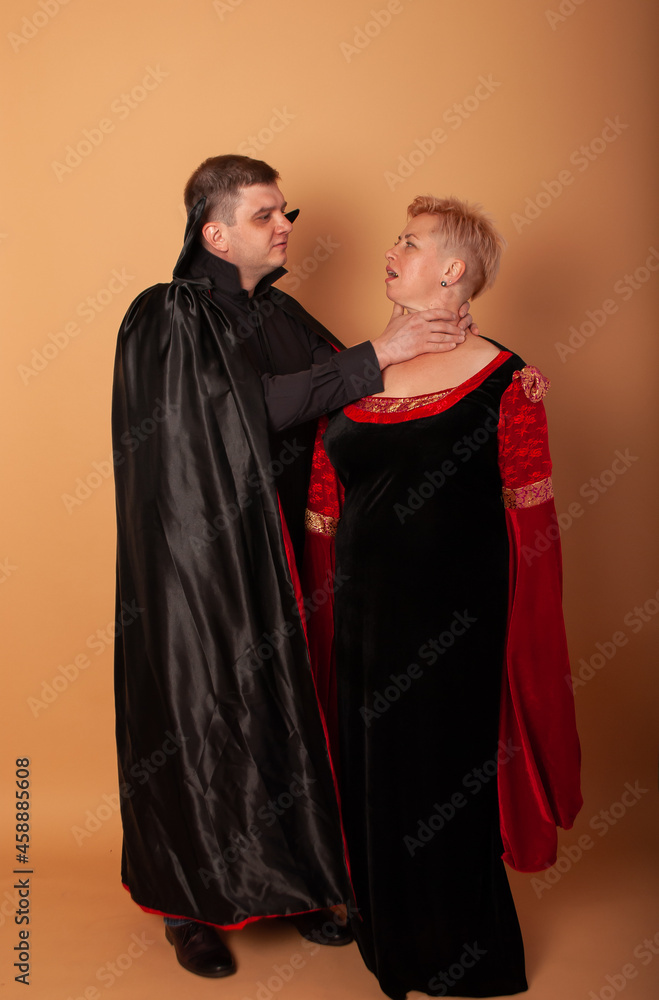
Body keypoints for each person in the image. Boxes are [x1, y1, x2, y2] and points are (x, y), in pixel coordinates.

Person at [111, 157, 476, 979]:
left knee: (282, 709)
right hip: (193, 571)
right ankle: (191, 907)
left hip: (278, 552)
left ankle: (293, 882)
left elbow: (352, 398)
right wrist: (380, 351)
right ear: (215, 234)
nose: (284, 227)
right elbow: (251, 410)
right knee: (197, 720)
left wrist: (479, 367)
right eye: (264, 215)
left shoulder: (279, 312)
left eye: (286, 212)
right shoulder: (168, 315)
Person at [303, 195, 583, 999]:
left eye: (410, 242)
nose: (391, 251)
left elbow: (532, 523)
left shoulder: (506, 381)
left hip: (454, 628)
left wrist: (524, 641)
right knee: (373, 775)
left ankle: (461, 952)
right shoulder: (355, 372)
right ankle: (386, 937)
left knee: (441, 778)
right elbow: (323, 507)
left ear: (453, 269)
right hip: (359, 625)